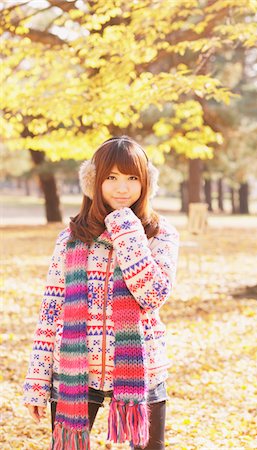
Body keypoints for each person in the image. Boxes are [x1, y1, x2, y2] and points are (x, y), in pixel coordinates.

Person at [23, 136, 179, 450]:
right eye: (111, 178)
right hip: (76, 370)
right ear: (94, 182)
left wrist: (126, 228)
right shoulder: (71, 237)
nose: (122, 188)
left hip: (142, 367)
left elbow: (152, 295)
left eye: (132, 178)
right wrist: (37, 380)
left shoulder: (161, 234)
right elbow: (51, 310)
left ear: (146, 182)